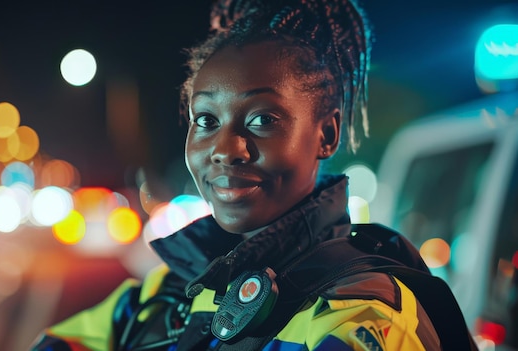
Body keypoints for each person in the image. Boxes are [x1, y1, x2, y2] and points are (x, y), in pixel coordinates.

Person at [30, 0, 476, 350]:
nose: (225, 150)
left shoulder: (364, 317)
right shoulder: (165, 296)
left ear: (327, 134)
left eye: (262, 119)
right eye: (205, 120)